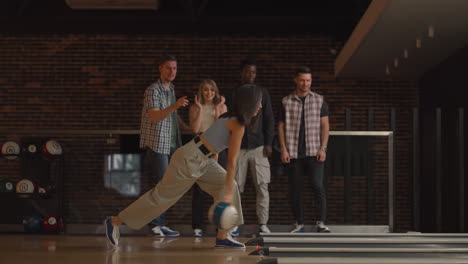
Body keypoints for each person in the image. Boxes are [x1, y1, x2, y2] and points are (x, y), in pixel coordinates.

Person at [104, 84, 263, 249]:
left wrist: (222, 180)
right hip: (190, 158)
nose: (260, 106)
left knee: (230, 185)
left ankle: (222, 237)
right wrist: (227, 194)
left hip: (202, 159)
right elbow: (232, 161)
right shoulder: (237, 124)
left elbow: (212, 139)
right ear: (249, 102)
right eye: (259, 102)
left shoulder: (228, 117)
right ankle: (115, 221)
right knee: (161, 198)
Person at [138, 54, 188, 237]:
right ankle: (155, 224)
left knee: (168, 185)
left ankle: (162, 223)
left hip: (172, 144)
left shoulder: (171, 89)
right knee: (162, 185)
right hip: (158, 144)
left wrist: (188, 127)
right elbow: (155, 116)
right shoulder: (153, 90)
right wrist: (175, 105)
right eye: (168, 68)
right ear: (160, 68)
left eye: (174, 68)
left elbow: (173, 116)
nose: (172, 71)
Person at [277, 66, 331, 233]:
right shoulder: (286, 101)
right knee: (295, 189)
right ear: (296, 80)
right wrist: (283, 149)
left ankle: (320, 223)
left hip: (314, 151)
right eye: (302, 80)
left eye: (308, 80)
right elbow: (280, 127)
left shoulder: (319, 100)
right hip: (293, 153)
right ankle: (299, 224)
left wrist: (323, 148)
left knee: (317, 186)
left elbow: (325, 126)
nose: (305, 83)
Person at [229, 58, 275, 235]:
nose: (251, 75)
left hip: (259, 147)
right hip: (238, 147)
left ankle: (263, 224)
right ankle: (233, 224)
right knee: (235, 187)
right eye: (248, 71)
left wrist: (269, 143)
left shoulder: (263, 92)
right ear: (242, 73)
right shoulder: (234, 92)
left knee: (262, 186)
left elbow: (269, 119)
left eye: (254, 72)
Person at [189, 79, 228, 237]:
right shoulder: (194, 107)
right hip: (200, 148)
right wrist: (199, 109)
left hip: (219, 148)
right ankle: (197, 227)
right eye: (206, 90)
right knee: (199, 189)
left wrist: (218, 109)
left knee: (220, 188)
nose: (209, 93)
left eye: (212, 90)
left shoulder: (223, 107)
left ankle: (221, 226)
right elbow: (195, 129)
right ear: (201, 91)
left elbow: (221, 127)